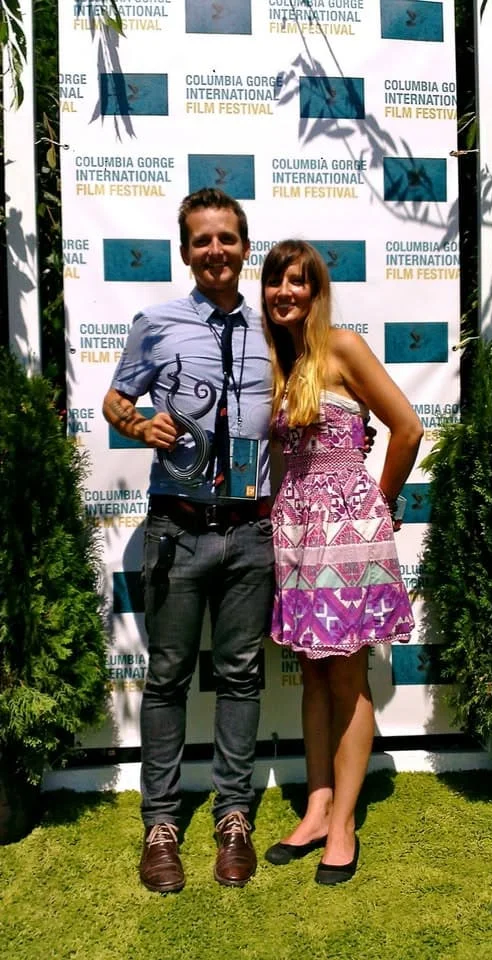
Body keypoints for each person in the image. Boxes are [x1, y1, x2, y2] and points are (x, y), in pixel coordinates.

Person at [102, 188, 276, 892]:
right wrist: (140, 424)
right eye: (202, 240)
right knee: (168, 678)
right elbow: (115, 401)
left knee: (240, 677)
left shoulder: (274, 331)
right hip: (176, 527)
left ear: (245, 247)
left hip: (251, 532)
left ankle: (233, 817)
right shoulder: (157, 323)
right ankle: (161, 825)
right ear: (185, 251)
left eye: (226, 238)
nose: (215, 250)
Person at [260, 239, 423, 885]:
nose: (285, 291)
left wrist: (377, 502)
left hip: (344, 530)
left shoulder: (343, 347)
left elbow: (407, 426)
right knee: (311, 672)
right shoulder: (282, 361)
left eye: (297, 281)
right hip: (297, 528)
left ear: (315, 290)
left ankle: (345, 824)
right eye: (275, 280)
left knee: (347, 676)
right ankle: (317, 807)